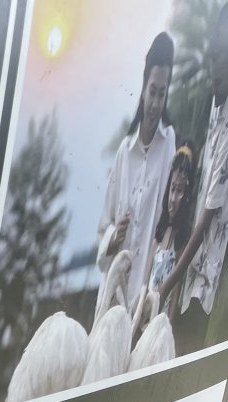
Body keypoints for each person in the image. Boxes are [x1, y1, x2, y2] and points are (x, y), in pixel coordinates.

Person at [96, 32, 177, 313]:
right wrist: (113, 237)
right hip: (113, 300)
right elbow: (103, 226)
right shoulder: (124, 152)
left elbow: (168, 221)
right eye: (152, 92)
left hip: (144, 299)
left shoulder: (169, 144)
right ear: (143, 88)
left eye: (162, 94)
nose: (155, 104)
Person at [165, 8, 228, 353]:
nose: (214, 67)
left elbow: (205, 222)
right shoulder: (215, 114)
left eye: (221, 59)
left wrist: (168, 283)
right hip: (188, 278)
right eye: (213, 57)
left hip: (205, 288)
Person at [137, 143, 196, 332]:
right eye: (172, 189)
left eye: (179, 191)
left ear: (186, 196)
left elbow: (175, 292)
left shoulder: (182, 241)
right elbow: (145, 284)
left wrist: (167, 329)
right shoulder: (159, 234)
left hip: (160, 328)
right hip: (144, 323)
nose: (173, 198)